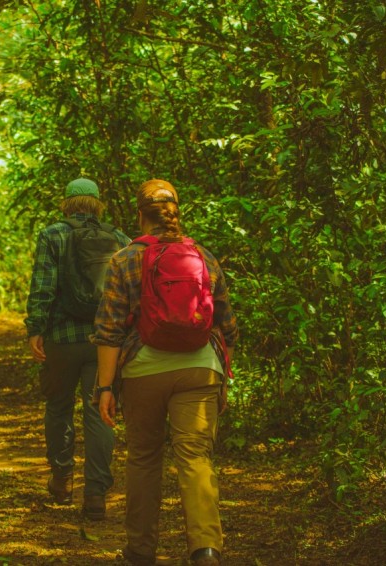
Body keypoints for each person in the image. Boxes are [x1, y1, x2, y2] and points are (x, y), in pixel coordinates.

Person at [91, 179, 239, 566]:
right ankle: (205, 549)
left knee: (143, 457)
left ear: (140, 215)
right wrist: (223, 378)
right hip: (201, 369)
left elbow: (109, 330)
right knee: (196, 457)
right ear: (177, 213)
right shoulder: (203, 256)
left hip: (144, 370)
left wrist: (105, 387)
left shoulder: (124, 259)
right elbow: (227, 325)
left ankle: (140, 550)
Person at [24, 178, 131, 520]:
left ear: (66, 204)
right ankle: (96, 494)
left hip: (62, 337)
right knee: (99, 409)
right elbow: (128, 293)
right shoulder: (119, 239)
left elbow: (43, 285)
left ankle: (62, 479)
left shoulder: (52, 235)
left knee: (58, 406)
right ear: (98, 203)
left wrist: (36, 328)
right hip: (105, 342)